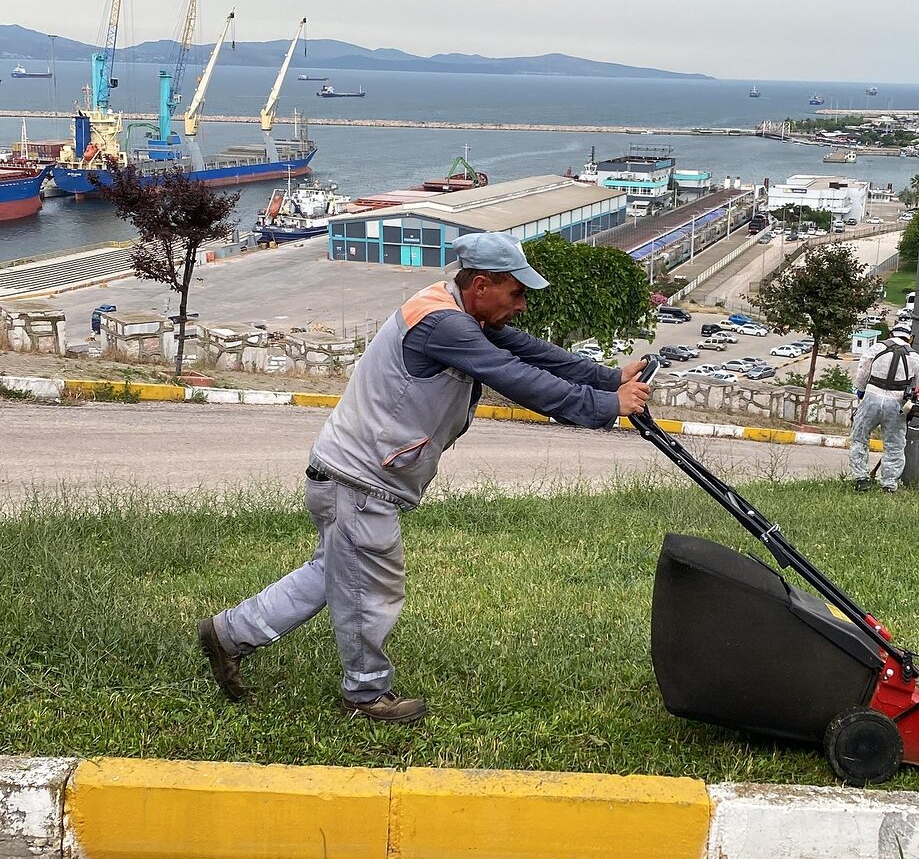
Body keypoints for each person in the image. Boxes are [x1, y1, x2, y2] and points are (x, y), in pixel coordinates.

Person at [198, 232, 651, 723]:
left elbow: (531, 353)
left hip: (349, 472)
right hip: (360, 478)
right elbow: (515, 377)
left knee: (337, 575)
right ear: (481, 284)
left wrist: (608, 379)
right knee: (372, 588)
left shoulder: (459, 312)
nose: (522, 305)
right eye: (517, 293)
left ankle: (227, 634)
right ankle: (366, 696)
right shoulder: (444, 325)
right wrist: (604, 406)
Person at [848, 321, 919, 493]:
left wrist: (860, 390)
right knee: (894, 445)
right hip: (897, 404)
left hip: (871, 397)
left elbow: (862, 372)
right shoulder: (917, 359)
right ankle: (889, 485)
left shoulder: (876, 348)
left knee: (859, 438)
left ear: (891, 334)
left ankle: (861, 479)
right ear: (910, 338)